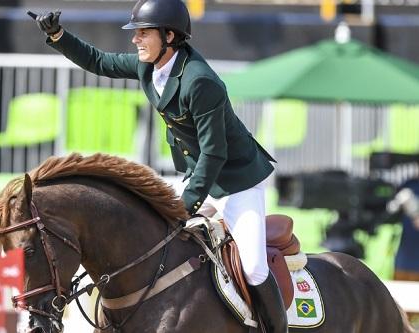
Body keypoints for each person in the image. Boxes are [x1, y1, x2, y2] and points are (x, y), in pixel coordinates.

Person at [29, 0, 286, 331]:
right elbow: (99, 61)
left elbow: (213, 153)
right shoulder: (148, 66)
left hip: (236, 183)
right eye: (135, 33)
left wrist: (185, 206)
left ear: (169, 36)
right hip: (197, 175)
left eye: (143, 33)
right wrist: (59, 36)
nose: (135, 40)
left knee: (253, 268)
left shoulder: (200, 81)